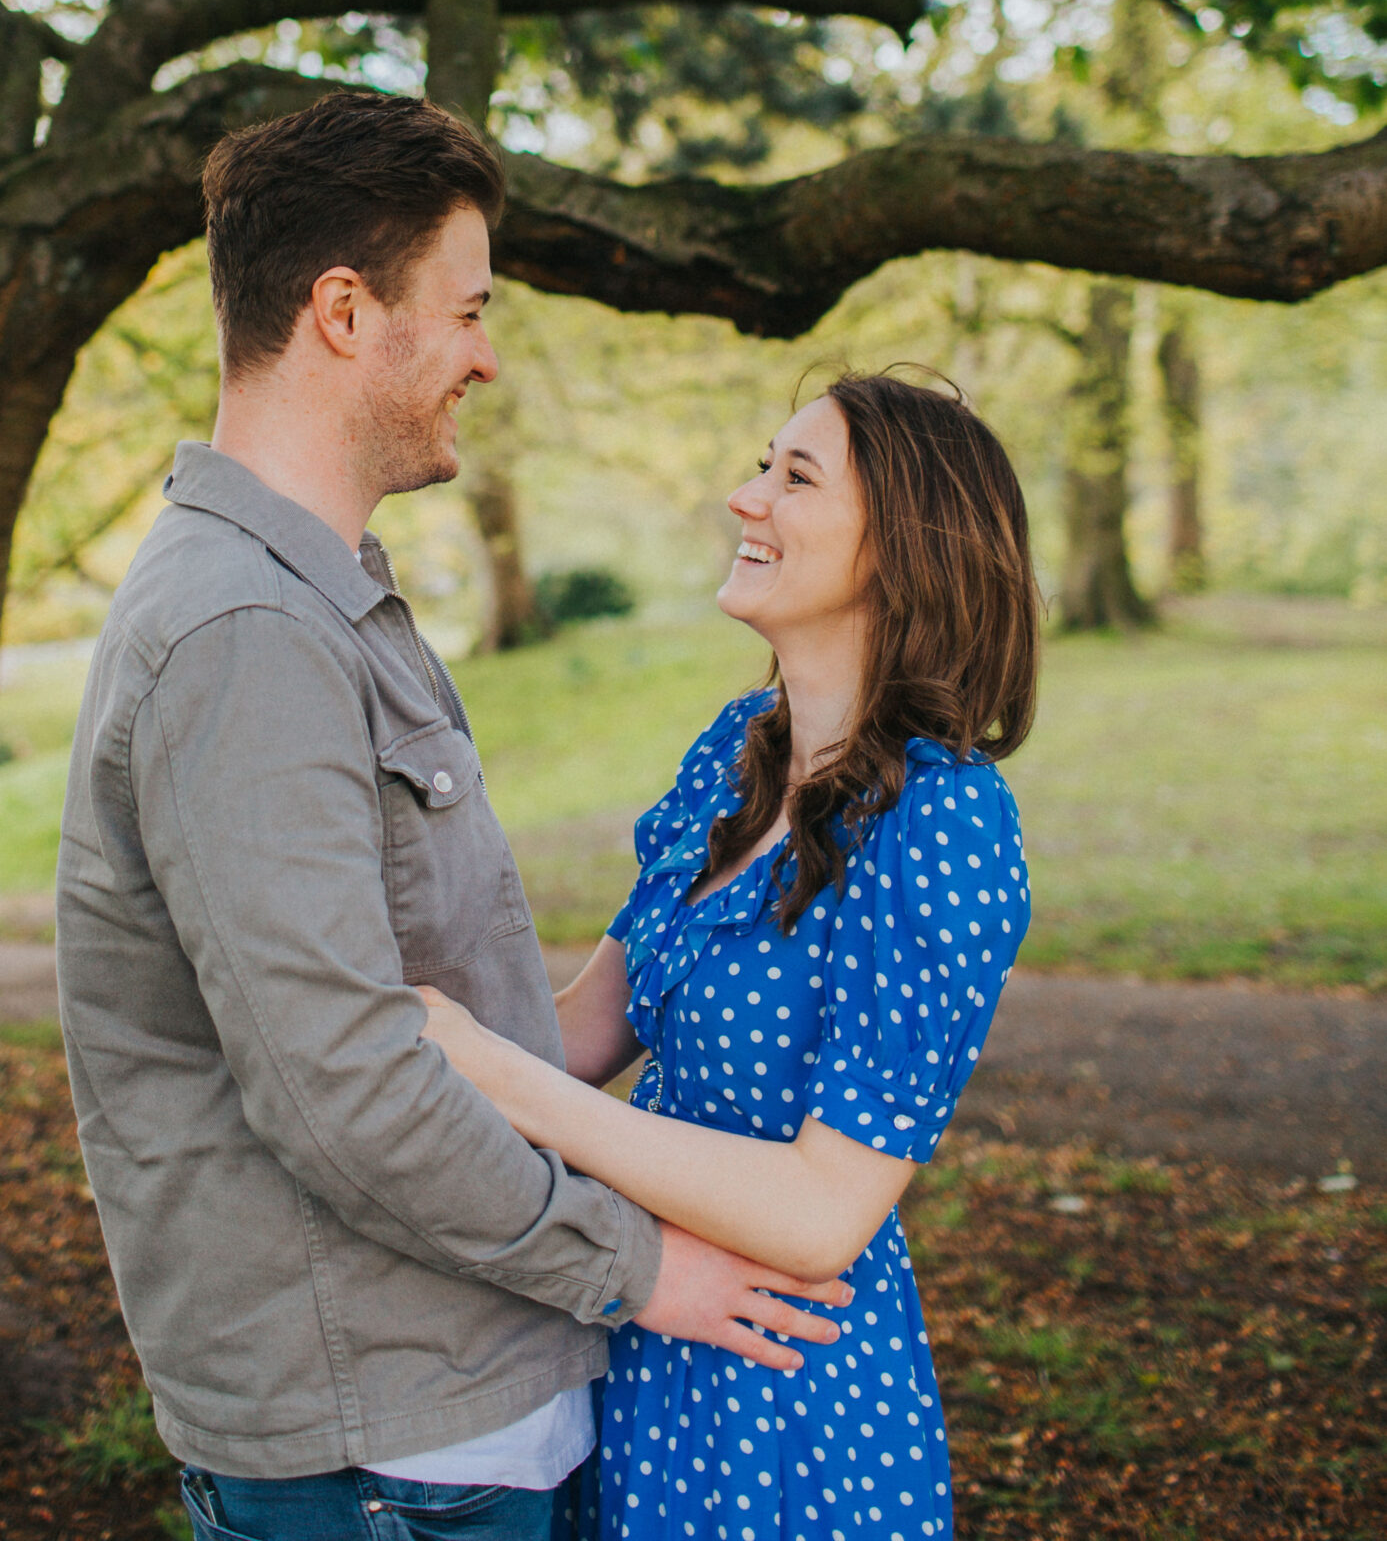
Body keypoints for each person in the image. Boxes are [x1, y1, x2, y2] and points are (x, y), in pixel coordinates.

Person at [54, 90, 848, 1541]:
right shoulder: (244, 631)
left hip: (451, 1421)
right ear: (344, 312)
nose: (486, 355)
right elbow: (343, 1085)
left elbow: (449, 1016)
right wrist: (642, 1266)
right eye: (468, 310)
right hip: (387, 1451)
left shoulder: (323, 601)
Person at [419, 371, 1039, 1541]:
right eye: (764, 465)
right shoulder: (734, 754)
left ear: (902, 549)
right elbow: (590, 1028)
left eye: (794, 477)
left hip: (789, 1388)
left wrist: (512, 1087)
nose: (744, 497)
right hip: (648, 1339)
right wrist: (388, 1020)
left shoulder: (945, 824)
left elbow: (822, 1213)